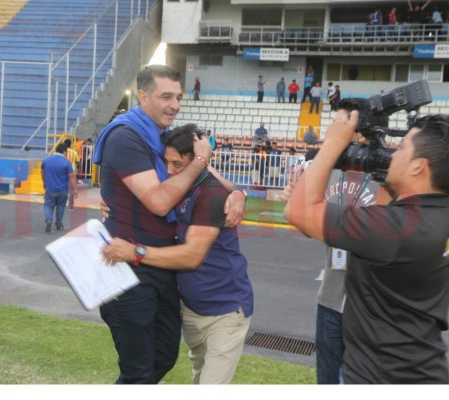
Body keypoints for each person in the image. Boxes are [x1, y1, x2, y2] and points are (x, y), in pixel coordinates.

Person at [92, 65, 246, 384]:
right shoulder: (125, 136)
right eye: (166, 96)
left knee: (163, 355)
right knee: (138, 371)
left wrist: (238, 192)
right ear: (143, 96)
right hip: (127, 267)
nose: (175, 104)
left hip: (160, 266)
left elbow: (214, 181)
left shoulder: (162, 136)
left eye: (178, 96)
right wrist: (201, 160)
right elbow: (161, 201)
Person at [284, 110, 449, 384]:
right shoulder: (434, 214)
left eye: (401, 147)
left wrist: (333, 144)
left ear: (418, 167)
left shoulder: (396, 227)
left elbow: (300, 212)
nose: (391, 154)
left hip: (379, 376)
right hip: (424, 370)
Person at [41, 143, 78, 233]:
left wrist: (44, 182)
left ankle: (49, 219)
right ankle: (58, 224)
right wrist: (75, 189)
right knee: (60, 206)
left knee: (48, 205)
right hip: (62, 190)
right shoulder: (66, 162)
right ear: (64, 151)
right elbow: (72, 176)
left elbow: (42, 172)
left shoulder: (46, 160)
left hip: (50, 188)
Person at [64, 138, 81, 209]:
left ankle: (62, 204)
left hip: (63, 171)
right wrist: (80, 171)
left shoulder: (63, 151)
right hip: (72, 172)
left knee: (63, 189)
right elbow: (78, 162)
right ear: (70, 145)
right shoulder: (74, 152)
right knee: (71, 189)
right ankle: (71, 206)